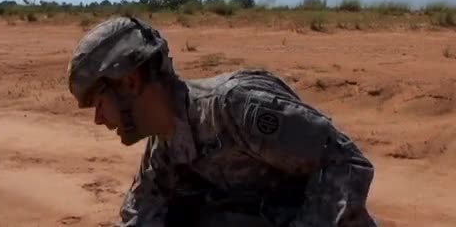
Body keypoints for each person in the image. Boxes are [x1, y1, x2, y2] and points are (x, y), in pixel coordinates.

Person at [67, 16, 378, 227]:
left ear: (130, 82)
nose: (98, 119)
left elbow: (344, 161)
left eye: (98, 103)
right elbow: (141, 216)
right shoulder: (164, 149)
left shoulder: (234, 106)